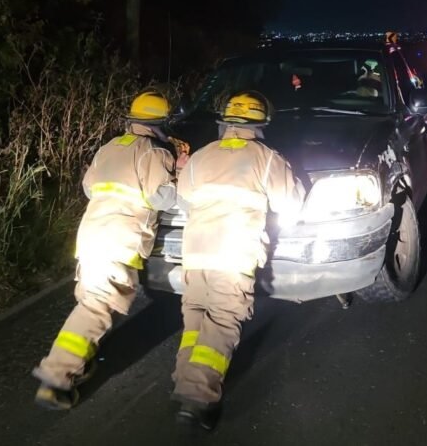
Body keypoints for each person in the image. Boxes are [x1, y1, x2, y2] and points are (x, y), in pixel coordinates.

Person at [32, 91, 188, 409]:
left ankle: (77, 364)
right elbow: (163, 199)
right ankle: (56, 375)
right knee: (96, 310)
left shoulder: (109, 147)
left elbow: (90, 188)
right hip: (121, 241)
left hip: (91, 237)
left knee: (91, 302)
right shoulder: (154, 153)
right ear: (161, 124)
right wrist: (179, 173)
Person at [171, 90, 305, 430]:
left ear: (225, 122)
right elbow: (291, 205)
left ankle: (185, 381)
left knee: (195, 322)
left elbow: (184, 198)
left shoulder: (201, 155)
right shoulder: (268, 159)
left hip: (195, 252)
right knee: (224, 320)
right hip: (233, 254)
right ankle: (197, 398)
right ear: (261, 125)